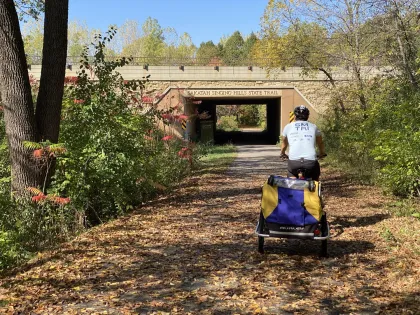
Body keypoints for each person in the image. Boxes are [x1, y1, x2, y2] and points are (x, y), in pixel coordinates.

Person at [280, 105, 326, 180]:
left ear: (294, 116)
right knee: (314, 177)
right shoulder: (313, 127)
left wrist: (282, 153)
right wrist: (322, 153)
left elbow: (284, 144)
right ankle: (314, 186)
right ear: (307, 116)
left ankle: (292, 185)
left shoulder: (288, 127)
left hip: (294, 162)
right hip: (310, 162)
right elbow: (320, 143)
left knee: (292, 176)